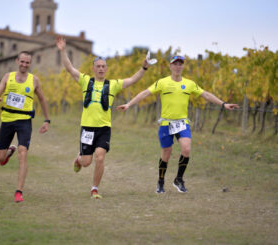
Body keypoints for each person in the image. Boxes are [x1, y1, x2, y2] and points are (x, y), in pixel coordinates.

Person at [117, 55, 239, 193]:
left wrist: (224, 104)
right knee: (166, 154)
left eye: (180, 64)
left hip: (182, 123)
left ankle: (178, 179)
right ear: (170, 66)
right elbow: (145, 93)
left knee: (186, 149)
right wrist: (129, 104)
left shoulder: (189, 83)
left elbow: (206, 95)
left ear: (183, 67)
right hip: (166, 123)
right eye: (175, 64)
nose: (178, 66)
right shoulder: (162, 82)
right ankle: (161, 181)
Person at [56, 36, 149, 199]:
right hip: (87, 127)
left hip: (104, 128)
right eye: (98, 66)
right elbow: (70, 68)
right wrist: (63, 51)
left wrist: (144, 68)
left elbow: (133, 80)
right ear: (93, 69)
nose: (100, 69)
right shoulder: (85, 81)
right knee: (86, 163)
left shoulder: (113, 84)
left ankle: (94, 189)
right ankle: (79, 158)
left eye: (103, 67)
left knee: (100, 157)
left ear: (106, 69)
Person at [0, 51, 50, 203]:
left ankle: (19, 191)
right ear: (17, 61)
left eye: (27, 62)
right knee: (0, 159)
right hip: (7, 120)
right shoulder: (7, 77)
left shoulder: (34, 80)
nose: (24, 65)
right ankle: (9, 151)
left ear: (30, 64)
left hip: (24, 121)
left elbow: (42, 100)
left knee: (23, 153)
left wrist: (47, 120)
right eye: (22, 61)